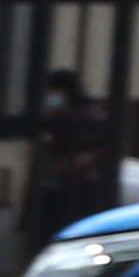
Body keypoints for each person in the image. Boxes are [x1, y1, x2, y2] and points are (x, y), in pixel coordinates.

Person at [26, 68, 122, 242]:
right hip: (61, 191)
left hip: (83, 191)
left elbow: (103, 150)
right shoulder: (53, 119)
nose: (50, 96)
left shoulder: (89, 119)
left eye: (54, 91)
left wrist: (78, 162)